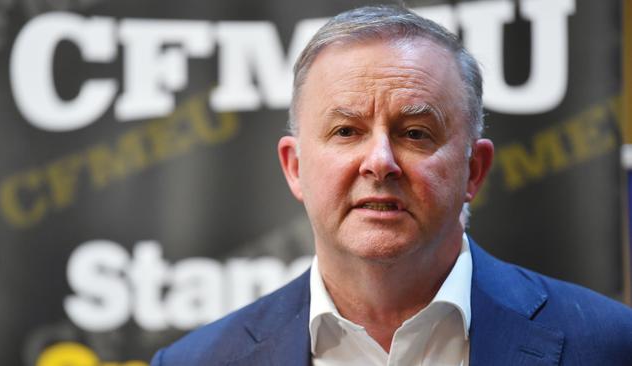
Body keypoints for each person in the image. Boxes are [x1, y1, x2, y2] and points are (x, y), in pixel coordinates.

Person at [151, 5, 632, 365]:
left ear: (473, 171)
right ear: (295, 167)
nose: (379, 163)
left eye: (415, 133)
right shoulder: (198, 361)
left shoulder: (611, 344)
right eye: (346, 131)